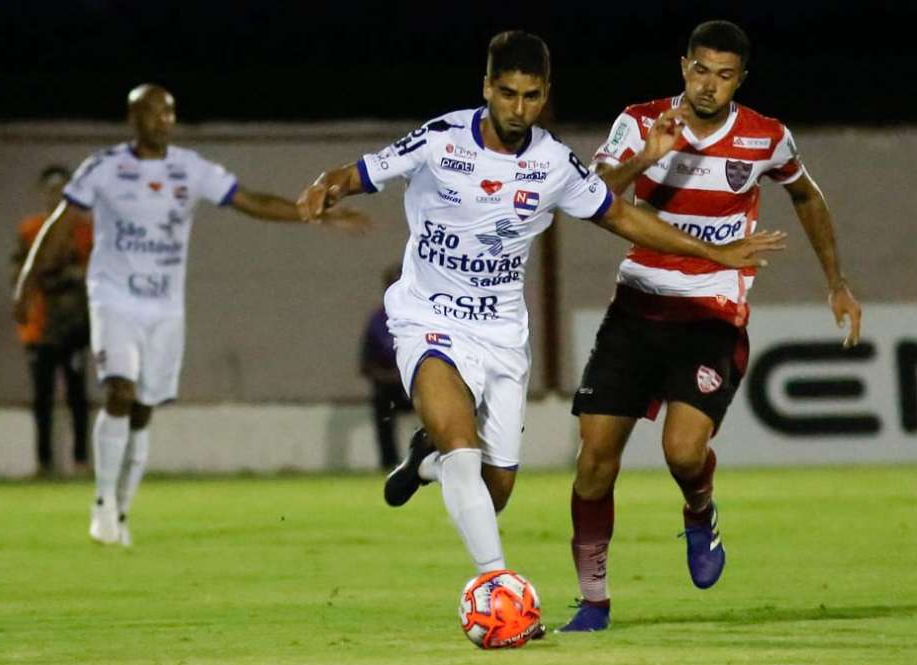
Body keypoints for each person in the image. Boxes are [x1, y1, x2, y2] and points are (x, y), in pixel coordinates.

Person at [297, 31, 784, 584]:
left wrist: (714, 252)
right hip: (427, 318)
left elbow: (620, 216)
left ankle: (425, 462)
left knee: (494, 491)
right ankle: (498, 587)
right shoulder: (440, 140)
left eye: (530, 96)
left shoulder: (553, 162)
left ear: (545, 94)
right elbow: (357, 173)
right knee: (463, 448)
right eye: (506, 93)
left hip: (502, 335)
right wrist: (325, 185)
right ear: (487, 87)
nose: (517, 108)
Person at [559, 20, 863, 632]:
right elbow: (587, 196)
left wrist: (835, 280)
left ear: (740, 81)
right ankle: (594, 601)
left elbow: (807, 195)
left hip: (711, 313)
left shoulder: (764, 138)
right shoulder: (641, 122)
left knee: (683, 449)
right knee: (594, 462)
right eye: (700, 70)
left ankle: (700, 510)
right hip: (637, 305)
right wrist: (647, 157)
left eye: (724, 76)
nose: (709, 85)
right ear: (683, 67)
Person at [15, 84, 364, 546]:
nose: (163, 120)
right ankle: (101, 506)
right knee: (119, 389)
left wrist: (311, 216)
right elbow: (61, 225)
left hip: (164, 306)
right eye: (154, 113)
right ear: (133, 119)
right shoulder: (104, 167)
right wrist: (26, 283)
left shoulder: (189, 168)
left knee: (142, 408)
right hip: (113, 297)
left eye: (169, 113)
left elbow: (248, 200)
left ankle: (121, 507)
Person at [11, 165, 93, 477]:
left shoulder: (84, 230)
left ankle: (81, 460)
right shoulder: (30, 230)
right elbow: (18, 272)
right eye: (50, 189)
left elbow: (93, 271)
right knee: (42, 397)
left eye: (62, 189)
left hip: (73, 324)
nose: (55, 195)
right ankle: (43, 462)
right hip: (39, 325)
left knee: (77, 395)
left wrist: (71, 276)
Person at [360, 263, 412, 471]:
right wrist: (393, 377)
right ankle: (389, 463)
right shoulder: (378, 321)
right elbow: (366, 365)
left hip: (424, 384)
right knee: (382, 404)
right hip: (392, 387)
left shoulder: (429, 316)